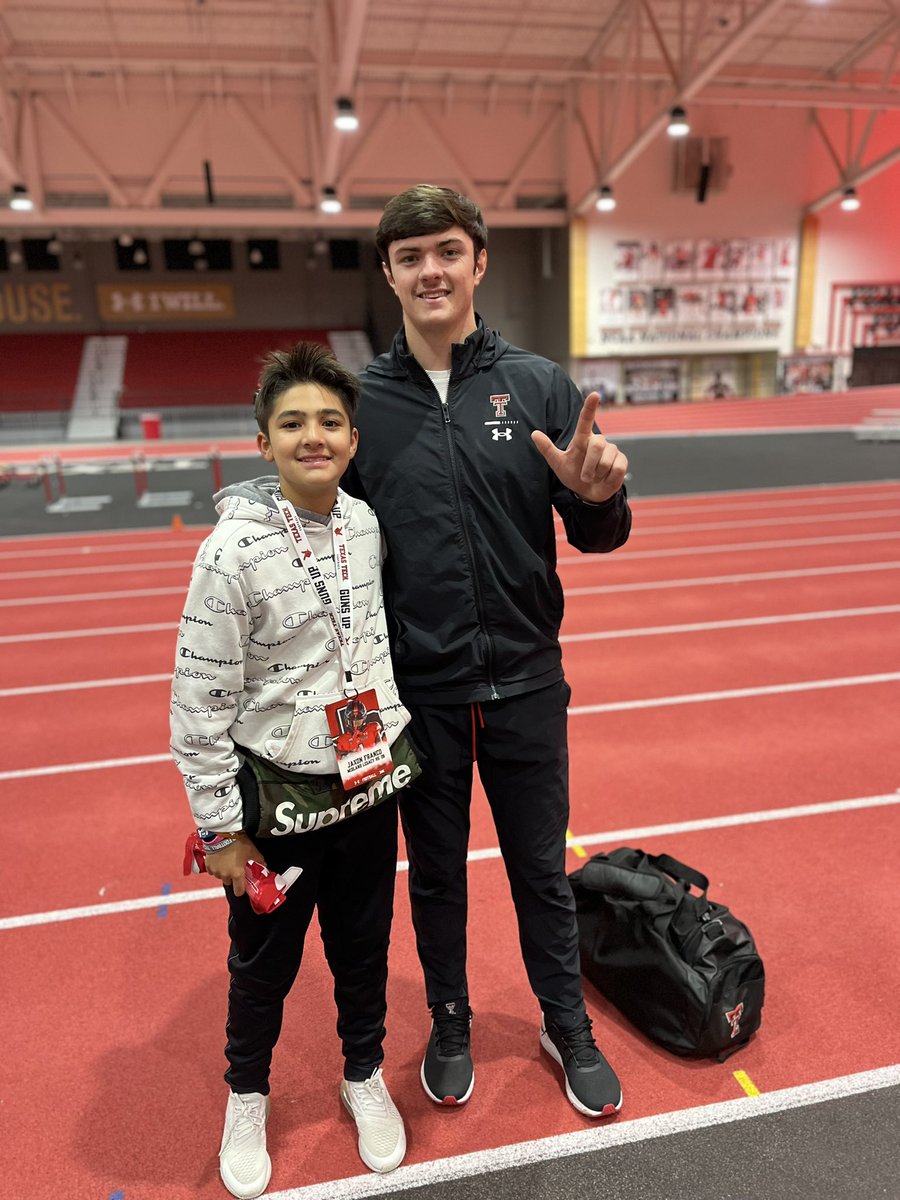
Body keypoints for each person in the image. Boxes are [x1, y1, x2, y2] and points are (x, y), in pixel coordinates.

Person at [343, 184, 632, 1120]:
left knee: (539, 867)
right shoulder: (359, 406)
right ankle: (452, 1019)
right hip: (418, 691)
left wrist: (595, 497)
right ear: (389, 273)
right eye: (411, 255)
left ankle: (563, 1021)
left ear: (477, 263)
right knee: (434, 874)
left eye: (447, 251)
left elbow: (598, 534)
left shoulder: (539, 385)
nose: (432, 269)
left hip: (527, 679)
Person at [170, 341, 414, 1199]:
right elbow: (196, 708)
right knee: (262, 965)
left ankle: (363, 1073)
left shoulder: (364, 524)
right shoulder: (228, 554)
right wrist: (220, 832)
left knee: (363, 949)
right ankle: (247, 1095)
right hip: (275, 802)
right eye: (293, 423)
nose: (315, 436)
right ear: (264, 441)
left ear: (352, 438)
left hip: (367, 785)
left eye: (331, 422)